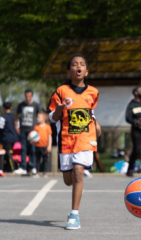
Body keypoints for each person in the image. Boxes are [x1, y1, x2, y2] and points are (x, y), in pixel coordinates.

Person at [48, 54, 101, 230]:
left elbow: (90, 113)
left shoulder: (93, 92)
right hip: (66, 141)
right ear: (69, 70)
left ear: (86, 71)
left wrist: (97, 124)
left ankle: (74, 214)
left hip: (85, 139)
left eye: (82, 64)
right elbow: (53, 117)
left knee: (79, 172)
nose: (78, 67)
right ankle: (71, 182)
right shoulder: (60, 91)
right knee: (68, 180)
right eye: (74, 64)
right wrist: (60, 109)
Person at [14, 89, 41, 175]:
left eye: (29, 96)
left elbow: (40, 116)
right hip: (23, 130)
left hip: (32, 131)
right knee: (23, 149)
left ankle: (33, 167)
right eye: (26, 96)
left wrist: (38, 128)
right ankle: (23, 167)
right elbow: (16, 116)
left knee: (33, 149)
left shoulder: (36, 105)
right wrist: (16, 126)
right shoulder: (21, 105)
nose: (28, 97)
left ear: (32, 96)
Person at [0, 102, 19, 177]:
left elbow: (0, 128)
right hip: (15, 138)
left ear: (4, 108)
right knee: (12, 154)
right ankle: (12, 168)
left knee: (8, 154)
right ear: (11, 108)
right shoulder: (15, 117)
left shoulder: (2, 118)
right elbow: (18, 126)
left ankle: (12, 169)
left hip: (6, 139)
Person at [32, 112, 52, 176]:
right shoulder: (36, 127)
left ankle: (45, 172)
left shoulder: (47, 127)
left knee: (45, 159)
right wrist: (32, 140)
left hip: (45, 146)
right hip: (38, 146)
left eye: (39, 117)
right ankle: (37, 172)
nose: (37, 118)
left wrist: (49, 146)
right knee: (37, 160)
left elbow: (49, 136)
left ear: (43, 119)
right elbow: (33, 136)